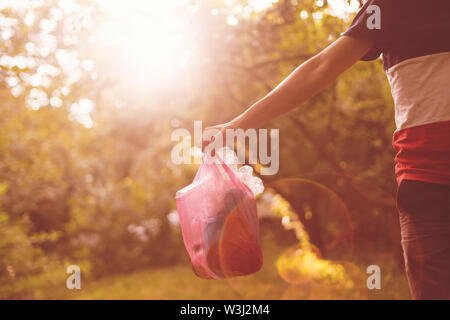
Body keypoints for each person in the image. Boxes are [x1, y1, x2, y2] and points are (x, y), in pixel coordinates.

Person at [203, 0, 450, 299]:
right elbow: (319, 68)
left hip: (426, 188)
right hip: (429, 191)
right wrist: (237, 126)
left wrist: (236, 126)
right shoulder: (389, 7)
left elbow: (320, 68)